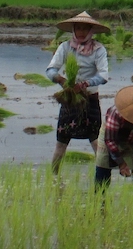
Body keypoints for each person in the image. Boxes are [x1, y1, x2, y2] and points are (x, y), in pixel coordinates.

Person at [45, 11, 111, 173]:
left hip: (90, 100)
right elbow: (50, 70)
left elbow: (103, 75)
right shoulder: (65, 47)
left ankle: (102, 178)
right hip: (70, 100)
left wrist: (85, 84)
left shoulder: (98, 50)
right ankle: (53, 176)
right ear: (73, 29)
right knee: (61, 142)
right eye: (78, 28)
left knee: (97, 143)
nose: (81, 32)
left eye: (85, 29)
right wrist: (61, 80)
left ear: (91, 31)